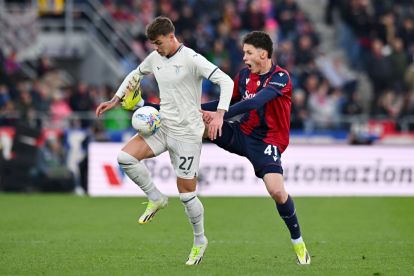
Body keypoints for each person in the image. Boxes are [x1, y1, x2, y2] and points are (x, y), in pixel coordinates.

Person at [95, 16, 233, 265]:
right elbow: (134, 75)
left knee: (187, 195)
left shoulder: (191, 58)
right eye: (153, 45)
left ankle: (199, 240)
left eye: (159, 43)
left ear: (171, 36)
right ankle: (156, 197)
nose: (156, 48)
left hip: (187, 134)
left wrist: (220, 114)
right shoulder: (155, 58)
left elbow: (227, 81)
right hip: (163, 125)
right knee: (125, 157)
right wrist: (115, 99)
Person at [201, 31, 311, 265]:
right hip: (243, 134)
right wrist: (198, 109)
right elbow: (226, 102)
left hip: (268, 141)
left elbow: (254, 102)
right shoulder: (243, 76)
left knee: (277, 192)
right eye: (243, 53)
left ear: (263, 54)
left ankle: (298, 241)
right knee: (195, 122)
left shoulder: (281, 77)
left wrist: (219, 115)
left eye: (248, 53)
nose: (244, 58)